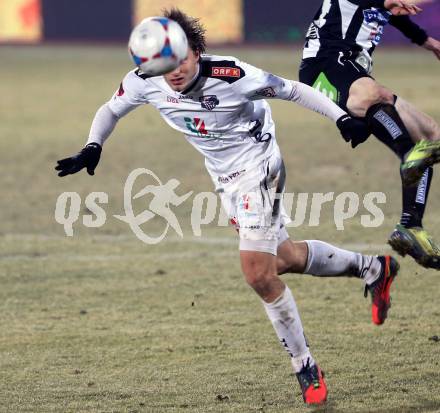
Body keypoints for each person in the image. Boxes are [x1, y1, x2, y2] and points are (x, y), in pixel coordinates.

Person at [55, 9, 399, 406]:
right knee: (281, 258)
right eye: (167, 64)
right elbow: (111, 108)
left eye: (182, 59)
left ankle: (304, 364)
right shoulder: (145, 81)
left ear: (196, 51)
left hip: (258, 165)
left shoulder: (232, 76)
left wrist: (341, 118)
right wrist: (93, 145)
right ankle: (374, 268)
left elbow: (291, 89)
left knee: (257, 273)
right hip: (224, 177)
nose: (176, 71)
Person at [299, 0, 440, 269]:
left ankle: (411, 227)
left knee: (431, 136)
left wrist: (428, 41)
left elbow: (395, 15)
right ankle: (409, 157)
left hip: (355, 74)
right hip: (324, 66)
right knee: (377, 96)